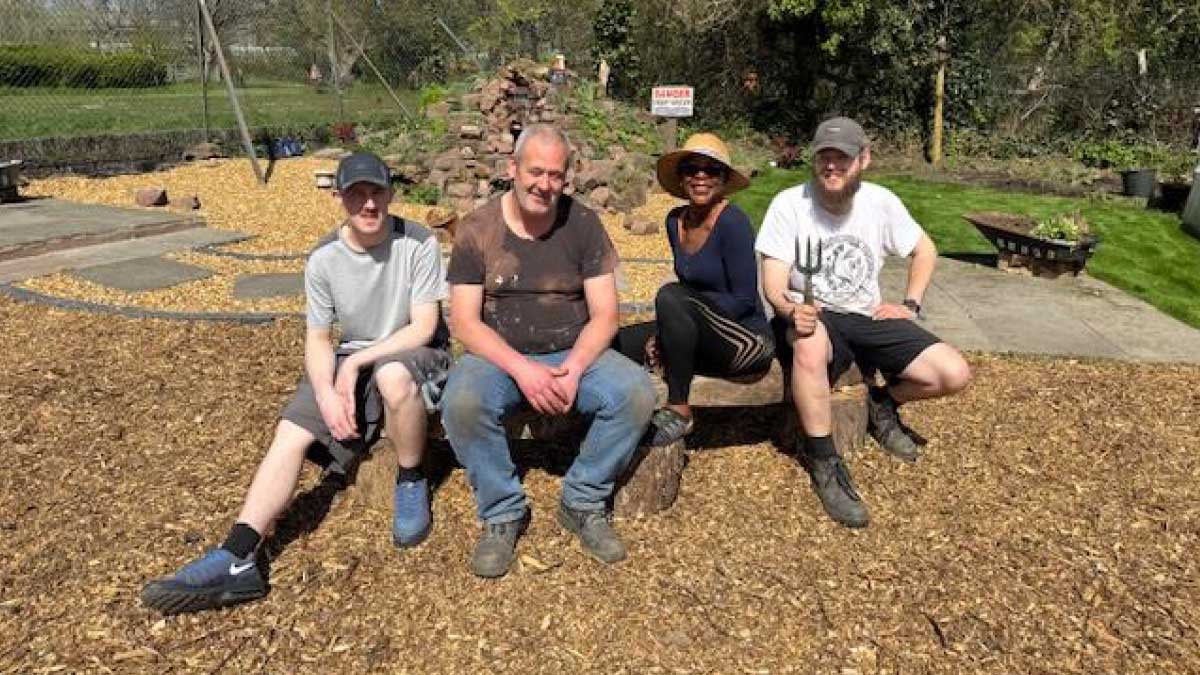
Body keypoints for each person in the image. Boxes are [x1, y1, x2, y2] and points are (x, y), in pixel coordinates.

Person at [142, 152, 451, 613]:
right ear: (339, 197)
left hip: (415, 351)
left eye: (377, 192)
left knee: (390, 375)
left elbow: (424, 327)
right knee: (291, 431)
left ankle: (409, 478)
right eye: (357, 194)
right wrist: (327, 392)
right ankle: (239, 554)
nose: (368, 204)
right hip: (355, 353)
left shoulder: (418, 242)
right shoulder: (324, 258)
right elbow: (318, 336)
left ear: (390, 193)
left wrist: (351, 367)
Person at [440, 123, 656, 579]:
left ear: (567, 177)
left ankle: (583, 498)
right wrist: (522, 370)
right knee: (461, 401)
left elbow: (604, 316)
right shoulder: (478, 228)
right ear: (512, 169)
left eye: (555, 175)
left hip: (572, 348)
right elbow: (464, 322)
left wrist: (575, 368)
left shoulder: (583, 224)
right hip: (498, 354)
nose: (544, 184)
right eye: (535, 172)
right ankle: (502, 511)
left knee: (636, 392)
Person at [755, 117, 971, 528]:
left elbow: (926, 250)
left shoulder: (880, 202)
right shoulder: (789, 204)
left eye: (842, 158)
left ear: (864, 159)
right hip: (813, 315)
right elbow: (773, 281)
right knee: (808, 341)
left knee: (953, 373)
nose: (831, 166)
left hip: (868, 315)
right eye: (824, 157)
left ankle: (883, 403)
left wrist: (910, 303)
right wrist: (789, 308)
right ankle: (825, 461)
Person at [614, 132, 774, 445]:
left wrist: (675, 328)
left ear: (724, 179)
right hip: (700, 332)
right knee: (615, 340)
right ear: (682, 178)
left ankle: (679, 409)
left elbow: (743, 300)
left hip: (745, 340)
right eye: (692, 169)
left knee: (670, 294)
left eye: (712, 170)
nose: (701, 177)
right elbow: (687, 303)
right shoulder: (675, 221)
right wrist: (672, 332)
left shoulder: (733, 222)